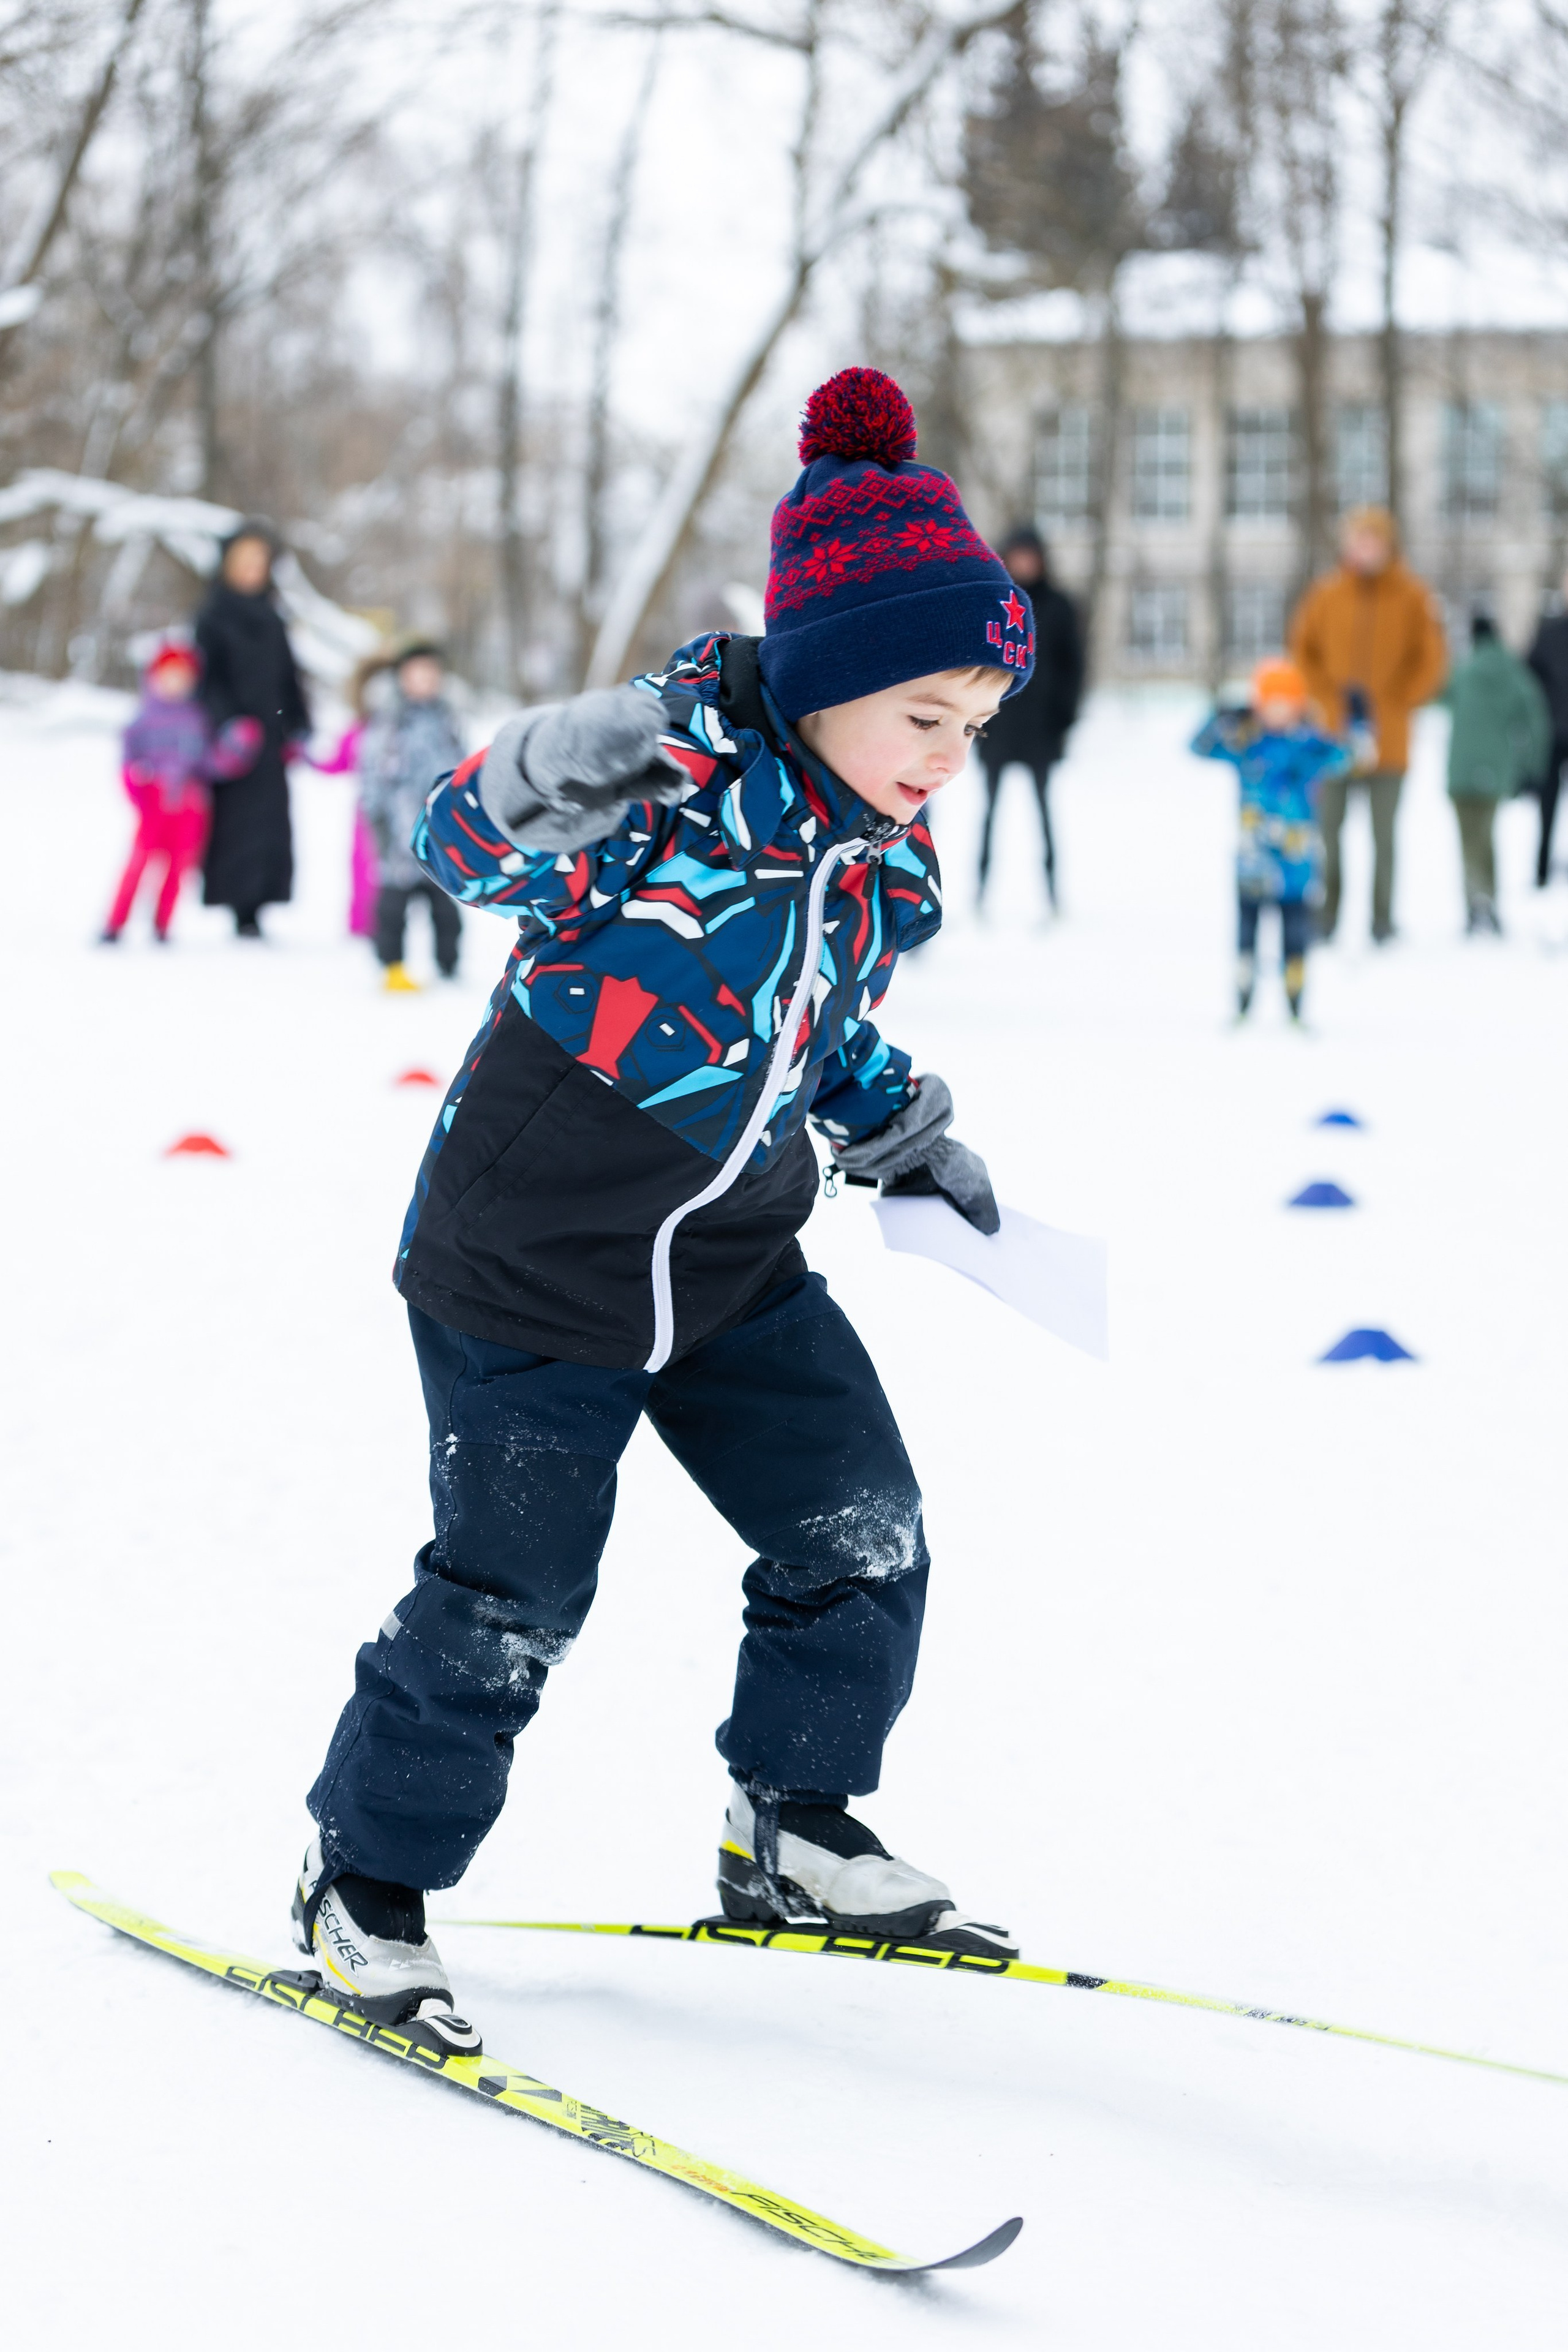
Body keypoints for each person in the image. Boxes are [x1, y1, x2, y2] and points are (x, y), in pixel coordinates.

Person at [291, 368, 1032, 2053]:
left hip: (731, 1252)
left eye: (974, 726)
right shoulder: (660, 799)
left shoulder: (871, 853)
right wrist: (561, 755)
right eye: (927, 713)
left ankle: (792, 1825)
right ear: (831, 682)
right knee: (512, 1595)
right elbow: (462, 842)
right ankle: (365, 1879)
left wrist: (897, 1128)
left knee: (862, 1528)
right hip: (531, 1257)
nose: (949, 756)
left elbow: (807, 1027)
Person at [1289, 505, 1447, 944]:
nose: (1365, 549)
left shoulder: (1412, 596)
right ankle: (1327, 916)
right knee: (1329, 833)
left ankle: (1383, 920)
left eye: (1373, 540)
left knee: (1384, 837)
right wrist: (1324, 701)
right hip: (1333, 738)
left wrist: (1400, 700)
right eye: (1358, 540)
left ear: (1388, 545)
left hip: (1388, 740)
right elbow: (1303, 654)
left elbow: (1431, 659)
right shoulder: (1326, 595)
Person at [1191, 656, 1348, 1024]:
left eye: (1286, 706)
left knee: (1296, 939)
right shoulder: (1246, 743)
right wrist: (1219, 719)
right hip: (1252, 862)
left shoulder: (1308, 747)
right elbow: (1198, 747)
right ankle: (1243, 997)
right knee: (1246, 936)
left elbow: (1350, 755)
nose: (1278, 714)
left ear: (1298, 706)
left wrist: (1357, 724)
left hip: (1297, 866)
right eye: (1270, 706)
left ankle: (1296, 1000)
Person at [194, 521, 311, 939]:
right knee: (236, 824)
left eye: (258, 562)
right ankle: (239, 904)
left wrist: (299, 724)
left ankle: (265, 897)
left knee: (271, 823)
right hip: (233, 744)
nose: (251, 569)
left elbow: (289, 676)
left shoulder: (272, 615)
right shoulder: (212, 616)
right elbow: (206, 679)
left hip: (272, 737)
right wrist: (226, 723)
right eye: (243, 561)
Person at [101, 640, 260, 944]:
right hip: (155, 803)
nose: (175, 683)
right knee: (138, 864)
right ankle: (115, 923)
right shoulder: (143, 719)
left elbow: (211, 764)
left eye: (182, 677)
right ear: (154, 678)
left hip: (191, 806)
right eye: (169, 675)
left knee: (178, 869)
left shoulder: (197, 719)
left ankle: (163, 926)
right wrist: (141, 792)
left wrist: (237, 746)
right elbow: (127, 762)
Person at [975, 524, 1083, 910]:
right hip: (996, 730)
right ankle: (980, 890)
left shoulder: (1058, 605)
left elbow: (1074, 669)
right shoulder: (991, 603)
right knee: (988, 814)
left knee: (1044, 813)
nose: (1024, 563)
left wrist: (1064, 722)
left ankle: (1052, 892)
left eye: (1030, 555)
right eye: (1017, 555)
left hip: (1041, 732)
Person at [358, 639, 467, 990]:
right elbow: (373, 771)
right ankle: (392, 964)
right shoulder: (390, 721)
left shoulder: (447, 718)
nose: (424, 682)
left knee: (446, 908)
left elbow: (461, 765)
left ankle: (448, 964)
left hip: (439, 828)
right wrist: (376, 817)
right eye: (415, 674)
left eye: (430, 675)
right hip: (399, 829)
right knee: (393, 906)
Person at [1442, 614, 1551, 934]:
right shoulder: (1514, 672)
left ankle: (1475, 902)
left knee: (1468, 839)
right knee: (1487, 837)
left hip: (1461, 769)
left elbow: (1440, 698)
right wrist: (1533, 764)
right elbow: (1535, 718)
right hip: (1496, 769)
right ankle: (1487, 899)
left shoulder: (1463, 670)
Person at [1526, 571, 1568, 886]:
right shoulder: (1549, 630)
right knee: (1548, 802)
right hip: (1553, 732)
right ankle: (1541, 869)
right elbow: (1530, 676)